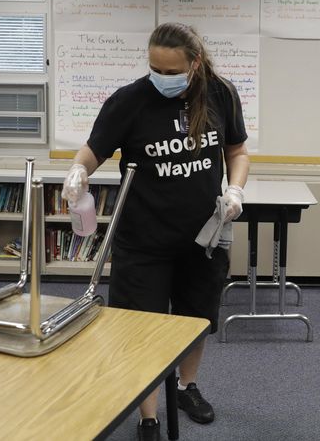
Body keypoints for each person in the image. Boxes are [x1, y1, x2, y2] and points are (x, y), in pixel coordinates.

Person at [61, 22, 250, 441]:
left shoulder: (220, 93)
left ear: (194, 63)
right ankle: (148, 414)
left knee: (195, 319)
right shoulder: (130, 101)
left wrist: (235, 188)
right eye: (155, 69)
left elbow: (237, 150)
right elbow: (94, 150)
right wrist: (78, 171)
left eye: (171, 71)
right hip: (143, 239)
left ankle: (186, 387)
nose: (162, 79)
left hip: (202, 237)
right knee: (139, 328)